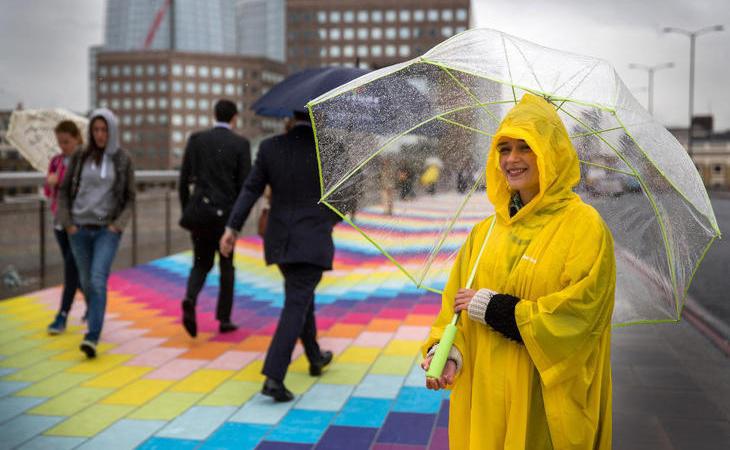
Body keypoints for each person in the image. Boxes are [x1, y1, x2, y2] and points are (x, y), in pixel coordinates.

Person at [420, 94, 615, 450]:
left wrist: (497, 310)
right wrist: (447, 351)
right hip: (485, 401)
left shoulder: (584, 226)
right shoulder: (486, 231)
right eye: (504, 148)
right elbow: (455, 307)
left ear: (551, 153)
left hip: (543, 402)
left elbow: (581, 316)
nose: (512, 159)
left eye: (526, 147)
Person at [220, 111, 338, 402]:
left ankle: (314, 356)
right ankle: (274, 377)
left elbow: (251, 189)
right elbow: (348, 194)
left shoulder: (271, 147)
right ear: (317, 114)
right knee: (296, 303)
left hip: (280, 241)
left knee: (300, 296)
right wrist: (325, 220)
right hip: (312, 240)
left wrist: (232, 228)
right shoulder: (329, 149)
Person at [57, 109, 136, 358]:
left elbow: (130, 198)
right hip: (79, 228)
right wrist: (68, 223)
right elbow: (64, 191)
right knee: (86, 281)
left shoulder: (122, 158)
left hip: (107, 230)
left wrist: (117, 225)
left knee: (98, 279)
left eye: (105, 130)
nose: (100, 135)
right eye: (96, 130)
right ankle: (94, 317)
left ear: (112, 131)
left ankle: (92, 336)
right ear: (90, 131)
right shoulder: (81, 156)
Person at [178, 99, 251, 337]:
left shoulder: (197, 140)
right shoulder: (241, 144)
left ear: (214, 114)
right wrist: (237, 223)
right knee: (226, 265)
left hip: (200, 213)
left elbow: (183, 181)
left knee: (200, 262)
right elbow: (245, 187)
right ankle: (224, 318)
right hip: (226, 217)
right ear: (234, 118)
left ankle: (190, 297)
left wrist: (187, 211)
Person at [45, 120, 84, 334]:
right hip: (59, 221)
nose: (63, 146)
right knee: (75, 270)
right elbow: (49, 192)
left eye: (66, 142)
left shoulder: (85, 160)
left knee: (71, 268)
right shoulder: (56, 161)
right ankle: (93, 302)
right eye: (60, 142)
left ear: (76, 138)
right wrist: (50, 183)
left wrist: (59, 181)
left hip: (78, 224)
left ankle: (61, 316)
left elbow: (81, 188)